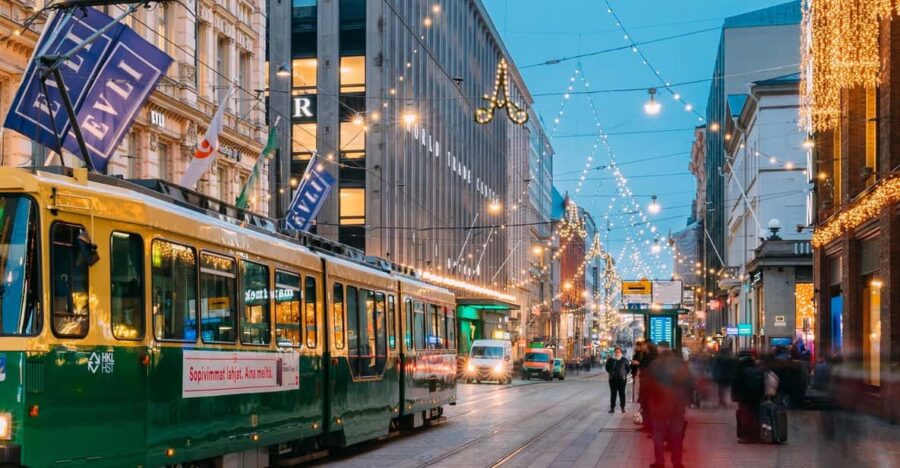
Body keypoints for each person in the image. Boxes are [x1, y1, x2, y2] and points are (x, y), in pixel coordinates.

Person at [645, 341, 693, 468]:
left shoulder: (654, 364)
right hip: (677, 402)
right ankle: (677, 462)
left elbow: (647, 385)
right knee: (676, 433)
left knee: (658, 433)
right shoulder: (680, 364)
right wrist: (687, 399)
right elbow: (689, 382)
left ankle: (659, 461)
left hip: (659, 402)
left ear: (660, 350)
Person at [731, 351, 764, 443]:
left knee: (745, 416)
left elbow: (736, 383)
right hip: (756, 396)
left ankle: (746, 436)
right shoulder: (755, 367)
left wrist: (735, 396)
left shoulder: (739, 368)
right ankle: (756, 435)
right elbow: (762, 383)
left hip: (744, 396)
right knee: (756, 416)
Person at [605, 347, 630, 413]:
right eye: (616, 352)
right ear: (614, 353)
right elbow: (607, 368)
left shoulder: (624, 360)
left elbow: (628, 369)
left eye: (618, 352)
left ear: (621, 352)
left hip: (622, 380)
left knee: (622, 394)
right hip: (612, 380)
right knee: (613, 394)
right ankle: (612, 408)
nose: (617, 353)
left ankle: (623, 407)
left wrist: (623, 374)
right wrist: (611, 373)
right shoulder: (610, 360)